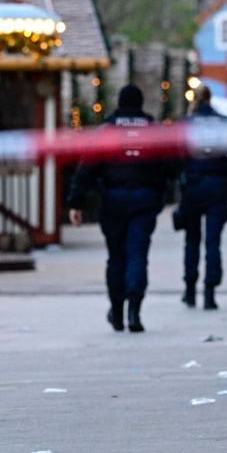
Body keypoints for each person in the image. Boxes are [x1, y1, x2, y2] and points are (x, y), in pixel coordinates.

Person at [67, 84, 173, 333]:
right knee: (138, 254)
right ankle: (134, 311)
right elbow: (172, 166)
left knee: (116, 258)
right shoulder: (154, 131)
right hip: (145, 199)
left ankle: (116, 311)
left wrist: (76, 202)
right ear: (140, 103)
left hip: (113, 200)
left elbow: (87, 168)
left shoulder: (106, 131)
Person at [179, 85, 227, 310]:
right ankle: (210, 292)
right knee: (213, 241)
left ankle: (190, 290)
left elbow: (176, 154)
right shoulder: (225, 122)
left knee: (192, 240)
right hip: (218, 184)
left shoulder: (187, 123)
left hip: (193, 185)